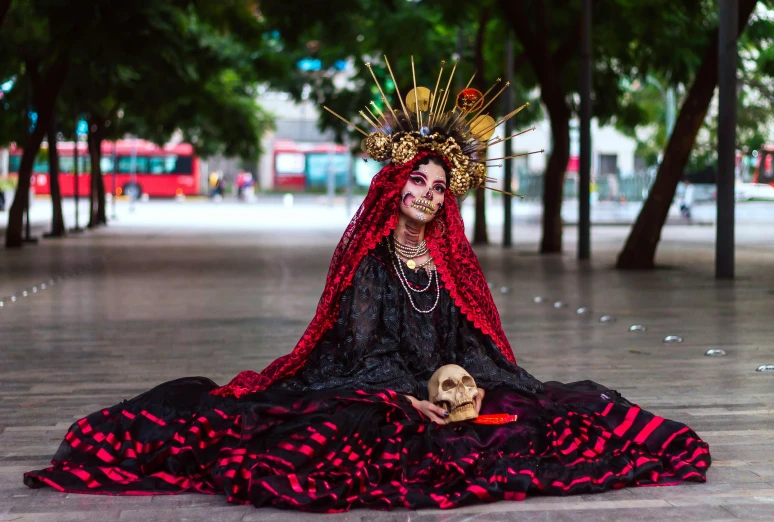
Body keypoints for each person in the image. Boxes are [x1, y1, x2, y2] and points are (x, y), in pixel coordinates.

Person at [24, 58, 710, 512]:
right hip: (377, 388)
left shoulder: (452, 266)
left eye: (439, 187)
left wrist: (466, 386)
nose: (427, 193)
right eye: (416, 178)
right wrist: (410, 398)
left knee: (556, 414)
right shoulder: (369, 264)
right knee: (336, 435)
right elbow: (360, 355)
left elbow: (477, 344)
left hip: (440, 388)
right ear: (393, 183)